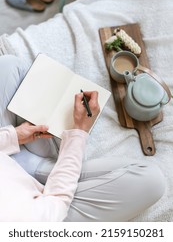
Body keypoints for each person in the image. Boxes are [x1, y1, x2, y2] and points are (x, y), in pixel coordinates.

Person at [0, 55, 165, 222]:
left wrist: (14, 136)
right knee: (152, 182)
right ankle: (47, 168)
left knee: (9, 65)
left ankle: (38, 163)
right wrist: (79, 132)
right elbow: (54, 206)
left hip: (10, 164)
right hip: (48, 212)